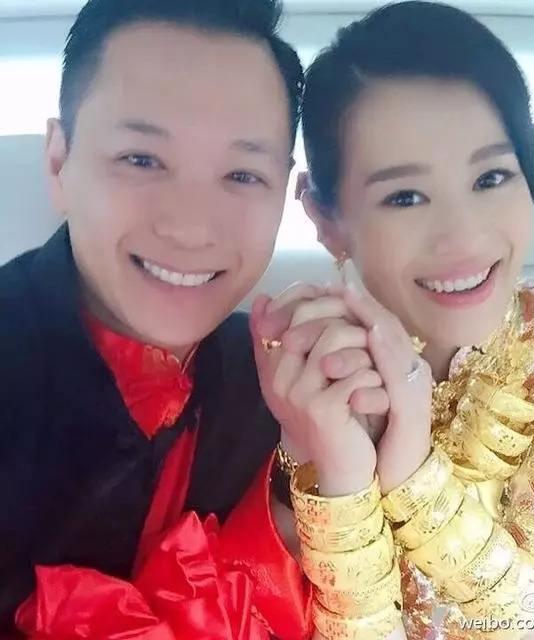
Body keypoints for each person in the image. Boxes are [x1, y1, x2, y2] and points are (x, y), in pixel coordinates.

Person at [251, 2, 534, 638]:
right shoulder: (300, 388)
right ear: (325, 219)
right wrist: (339, 476)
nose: (462, 237)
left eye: (491, 177)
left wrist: (416, 481)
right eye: (405, 196)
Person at [0, 0, 312, 637]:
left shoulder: (287, 391)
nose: (190, 227)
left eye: (242, 174)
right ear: (59, 161)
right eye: (141, 159)